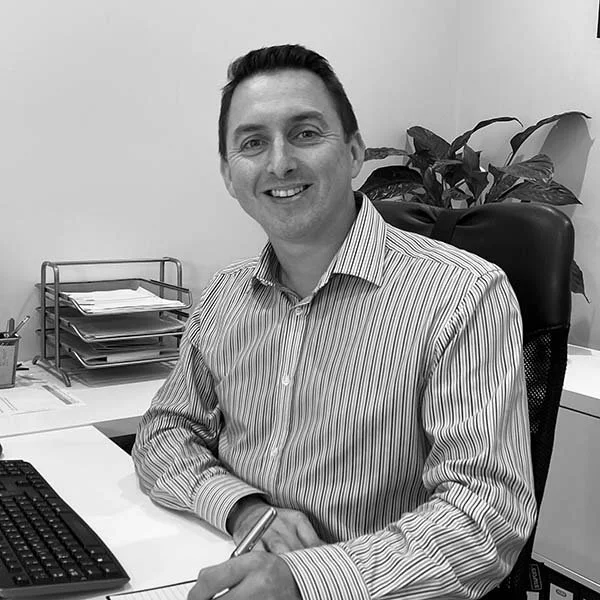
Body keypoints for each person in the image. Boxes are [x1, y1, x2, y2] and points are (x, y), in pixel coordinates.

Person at [132, 44, 536, 600]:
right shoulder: (226, 296)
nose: (279, 163)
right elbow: (162, 434)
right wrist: (243, 508)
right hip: (226, 567)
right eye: (252, 143)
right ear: (229, 175)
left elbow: (484, 518)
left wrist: (306, 579)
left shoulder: (462, 295)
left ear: (353, 152)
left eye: (304, 133)